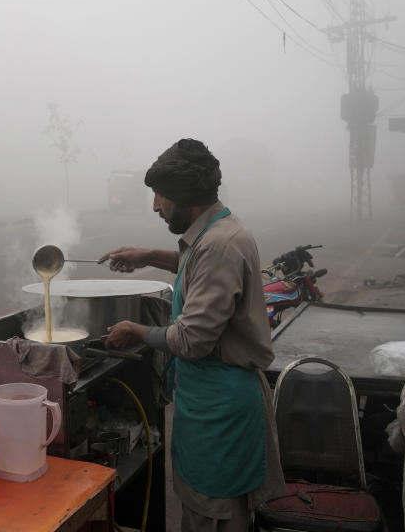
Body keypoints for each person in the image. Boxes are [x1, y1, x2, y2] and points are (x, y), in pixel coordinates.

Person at [100, 139, 283, 532]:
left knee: (211, 517)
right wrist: (147, 256)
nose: (154, 206)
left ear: (184, 197)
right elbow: (194, 262)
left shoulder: (221, 245)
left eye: (159, 196)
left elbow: (191, 339)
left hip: (220, 411)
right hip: (206, 402)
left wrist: (137, 331)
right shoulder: (219, 231)